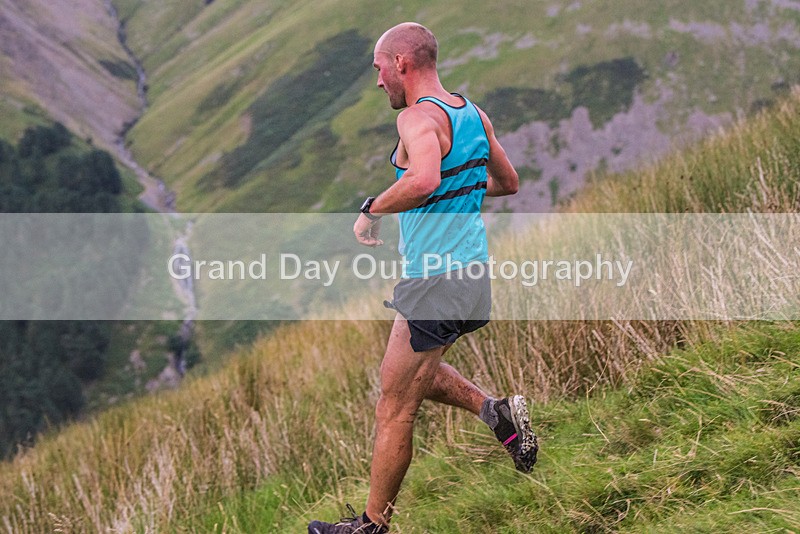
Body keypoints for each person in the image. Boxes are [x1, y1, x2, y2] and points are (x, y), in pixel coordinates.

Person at [308, 22, 537, 534]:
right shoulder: (472, 113)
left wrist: (373, 209)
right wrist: (458, 193)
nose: (377, 81)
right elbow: (506, 182)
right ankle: (496, 413)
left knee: (393, 408)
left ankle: (371, 526)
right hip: (471, 274)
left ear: (402, 64)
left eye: (378, 69)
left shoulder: (416, 119)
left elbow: (424, 178)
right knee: (412, 373)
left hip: (436, 280)